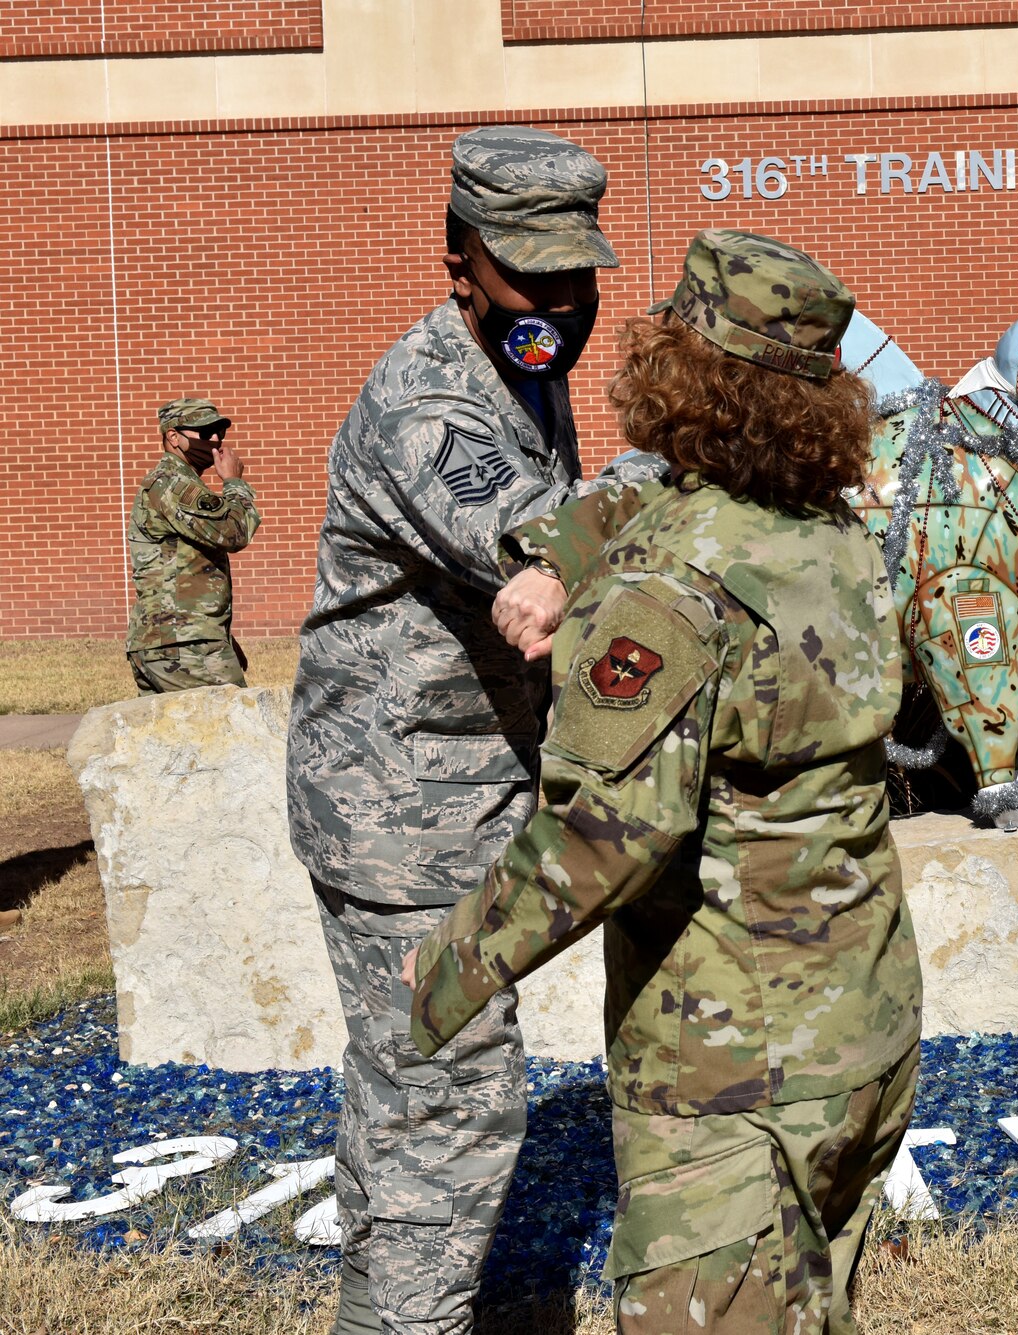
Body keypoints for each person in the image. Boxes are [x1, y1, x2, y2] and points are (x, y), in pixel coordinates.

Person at [406, 229, 921, 1335]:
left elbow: (602, 841)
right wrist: (556, 559)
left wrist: (442, 970)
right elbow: (660, 504)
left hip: (728, 1065)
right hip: (864, 1029)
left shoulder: (663, 588)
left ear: (673, 374)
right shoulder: (834, 538)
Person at [286, 125, 623, 1335]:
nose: (560, 301)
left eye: (576, 272)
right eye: (528, 273)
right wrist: (678, 470)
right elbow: (542, 547)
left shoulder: (521, 362)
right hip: (401, 813)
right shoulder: (431, 407)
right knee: (448, 1099)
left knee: (406, 1085)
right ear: (456, 260)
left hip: (457, 787)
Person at [126, 397, 259, 694]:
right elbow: (234, 533)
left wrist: (222, 638)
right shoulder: (174, 484)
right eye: (205, 432)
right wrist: (234, 483)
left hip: (175, 640)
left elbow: (184, 571)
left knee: (170, 741)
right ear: (174, 437)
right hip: (183, 644)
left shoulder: (177, 483)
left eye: (219, 433)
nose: (215, 440)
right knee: (235, 731)